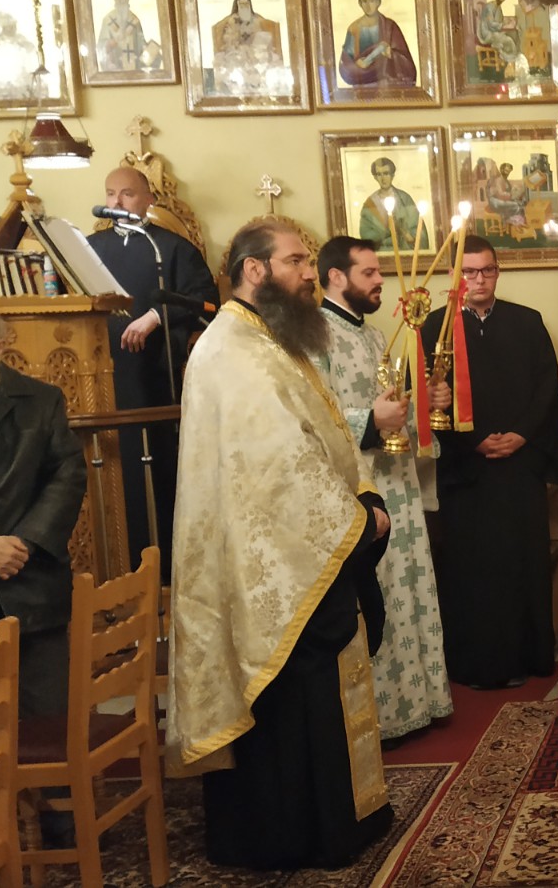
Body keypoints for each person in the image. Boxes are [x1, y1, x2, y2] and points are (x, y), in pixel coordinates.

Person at [169, 220, 394, 869]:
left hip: (297, 552)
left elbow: (322, 436)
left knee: (315, 693)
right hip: (269, 567)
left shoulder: (266, 338)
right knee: (291, 703)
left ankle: (340, 820)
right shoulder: (232, 350)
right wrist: (359, 520)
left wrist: (363, 496)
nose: (309, 273)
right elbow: (276, 469)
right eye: (296, 260)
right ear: (255, 269)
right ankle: (298, 836)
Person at [315, 236, 453, 738]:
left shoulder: (375, 336)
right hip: (361, 491)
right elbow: (317, 419)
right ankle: (382, 719)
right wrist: (371, 420)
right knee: (379, 598)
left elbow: (395, 407)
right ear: (336, 277)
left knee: (407, 593)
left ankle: (420, 702)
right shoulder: (315, 337)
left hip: (399, 485)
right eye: (369, 273)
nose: (380, 282)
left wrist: (424, 403)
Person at [422, 236, 558, 688]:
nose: (479, 280)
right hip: (466, 470)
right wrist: (474, 442)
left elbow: (547, 388)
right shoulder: (434, 328)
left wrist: (521, 435)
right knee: (472, 571)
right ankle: (477, 665)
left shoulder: (527, 321)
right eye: (469, 272)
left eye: (487, 270)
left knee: (523, 563)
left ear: (498, 272)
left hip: (519, 467)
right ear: (455, 277)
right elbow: (428, 399)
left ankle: (530, 657)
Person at [87, 165, 218, 578]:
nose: (117, 202)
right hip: (99, 380)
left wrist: (155, 317)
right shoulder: (89, 248)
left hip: (154, 381)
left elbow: (206, 301)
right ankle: (115, 575)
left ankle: (165, 578)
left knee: (158, 481)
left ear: (149, 200)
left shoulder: (171, 249)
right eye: (111, 193)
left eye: (127, 194)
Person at [0, 307, 85, 717]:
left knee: (49, 727)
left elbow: (68, 475)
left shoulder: (41, 400)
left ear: (0, 344)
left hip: (32, 588)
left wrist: (23, 543)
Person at [338, 0, 418, 88]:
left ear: (378, 2)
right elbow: (346, 61)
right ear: (360, 4)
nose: (368, 6)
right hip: (362, 83)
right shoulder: (354, 28)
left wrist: (390, 53)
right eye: (364, 1)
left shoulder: (390, 26)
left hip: (386, 83)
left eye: (371, 1)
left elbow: (405, 60)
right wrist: (357, 65)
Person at [357, 157, 429, 252]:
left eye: (386, 173)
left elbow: (419, 230)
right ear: (375, 177)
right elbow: (365, 236)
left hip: (404, 253)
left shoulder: (404, 199)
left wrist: (404, 232)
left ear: (392, 175)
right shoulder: (370, 204)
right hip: (381, 254)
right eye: (379, 174)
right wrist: (386, 231)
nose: (383, 178)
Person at [98, 0, 147, 72]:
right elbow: (100, 46)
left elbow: (141, 44)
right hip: (115, 66)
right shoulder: (107, 20)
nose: (120, 1)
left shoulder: (135, 21)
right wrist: (109, 43)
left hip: (133, 67)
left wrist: (148, 50)